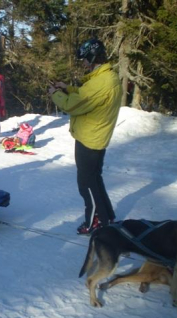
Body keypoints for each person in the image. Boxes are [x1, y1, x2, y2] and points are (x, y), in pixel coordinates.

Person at [49, 38, 122, 235]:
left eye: (84, 59)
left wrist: (55, 94)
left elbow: (73, 104)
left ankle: (95, 220)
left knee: (86, 183)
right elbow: (84, 95)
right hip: (94, 136)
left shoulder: (102, 82)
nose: (83, 63)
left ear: (92, 57)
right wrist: (67, 88)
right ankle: (107, 216)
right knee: (95, 180)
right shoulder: (103, 77)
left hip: (90, 139)